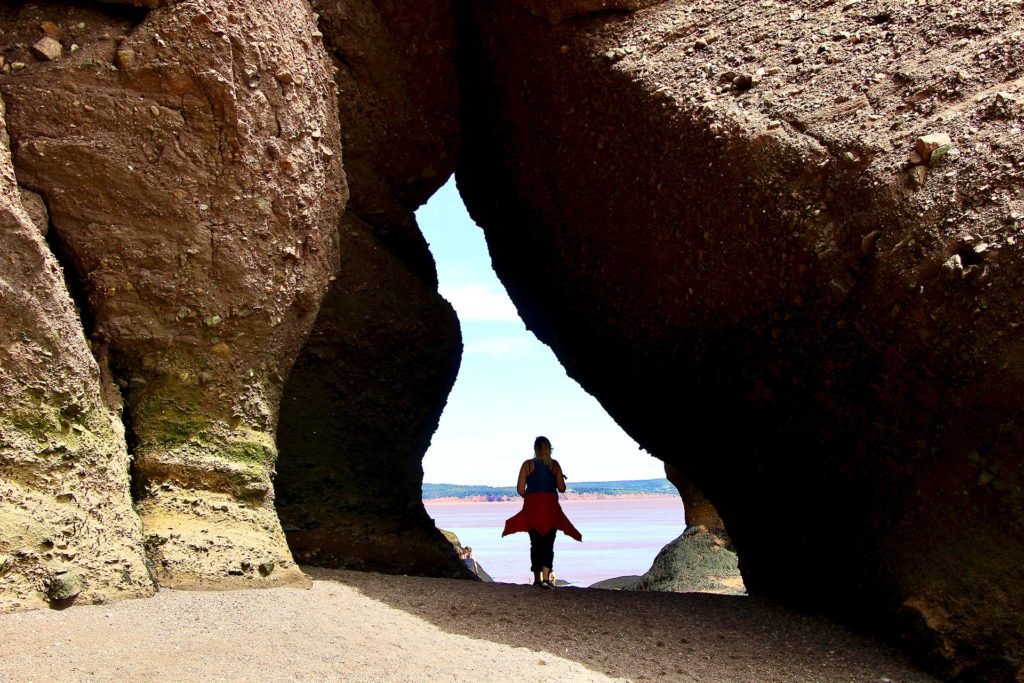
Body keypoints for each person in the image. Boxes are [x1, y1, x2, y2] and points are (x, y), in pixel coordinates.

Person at [501, 436, 582, 588]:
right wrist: (560, 477)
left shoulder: (527, 465)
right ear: (549, 448)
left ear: (535, 449)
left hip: (533, 508)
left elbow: (520, 489)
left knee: (535, 543)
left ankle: (537, 579)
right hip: (550, 508)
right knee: (548, 543)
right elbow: (562, 488)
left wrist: (532, 498)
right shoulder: (554, 465)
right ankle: (546, 578)